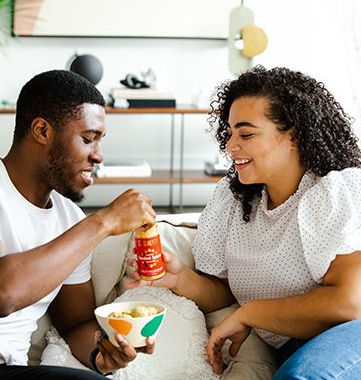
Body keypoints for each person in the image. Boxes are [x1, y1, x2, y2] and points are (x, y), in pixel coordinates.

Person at [127, 66, 361, 379]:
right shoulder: (234, 201)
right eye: (230, 133)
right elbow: (223, 290)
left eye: (246, 134)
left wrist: (252, 314)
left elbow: (348, 304)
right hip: (292, 347)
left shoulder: (329, 192)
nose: (230, 146)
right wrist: (180, 278)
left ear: (293, 135)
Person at [0, 69, 157, 379]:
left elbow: (75, 323)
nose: (99, 156)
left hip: (7, 371)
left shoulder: (69, 220)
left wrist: (102, 353)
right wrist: (103, 221)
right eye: (88, 139)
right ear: (42, 130)